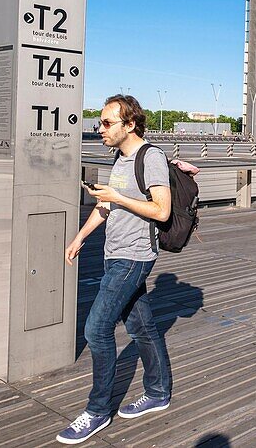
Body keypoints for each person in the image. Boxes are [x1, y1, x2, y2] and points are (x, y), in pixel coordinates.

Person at [56, 95, 173, 444]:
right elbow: (106, 205)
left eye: (107, 123)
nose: (100, 129)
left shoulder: (150, 158)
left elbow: (162, 211)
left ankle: (97, 411)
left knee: (96, 329)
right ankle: (158, 392)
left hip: (134, 256)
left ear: (130, 125)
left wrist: (118, 198)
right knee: (141, 326)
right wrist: (80, 237)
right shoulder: (119, 159)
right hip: (113, 252)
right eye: (99, 123)